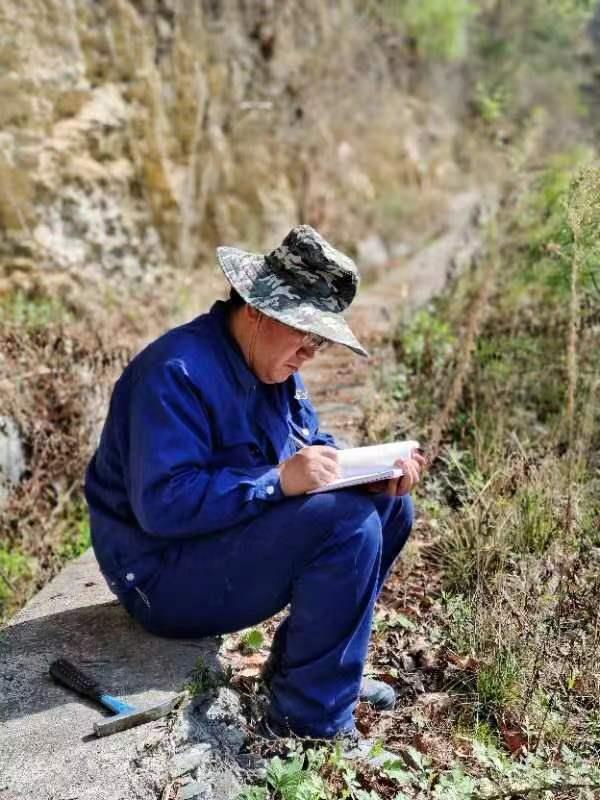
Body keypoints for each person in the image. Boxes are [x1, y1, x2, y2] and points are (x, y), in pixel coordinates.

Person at [85, 224, 424, 740]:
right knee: (348, 525)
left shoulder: (273, 368)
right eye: (305, 333)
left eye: (320, 340)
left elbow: (309, 442)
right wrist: (276, 480)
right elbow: (163, 505)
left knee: (388, 508)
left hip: (213, 545)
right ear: (258, 310)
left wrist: (368, 474)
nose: (311, 352)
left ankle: (308, 676)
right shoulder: (174, 373)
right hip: (159, 577)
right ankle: (310, 722)